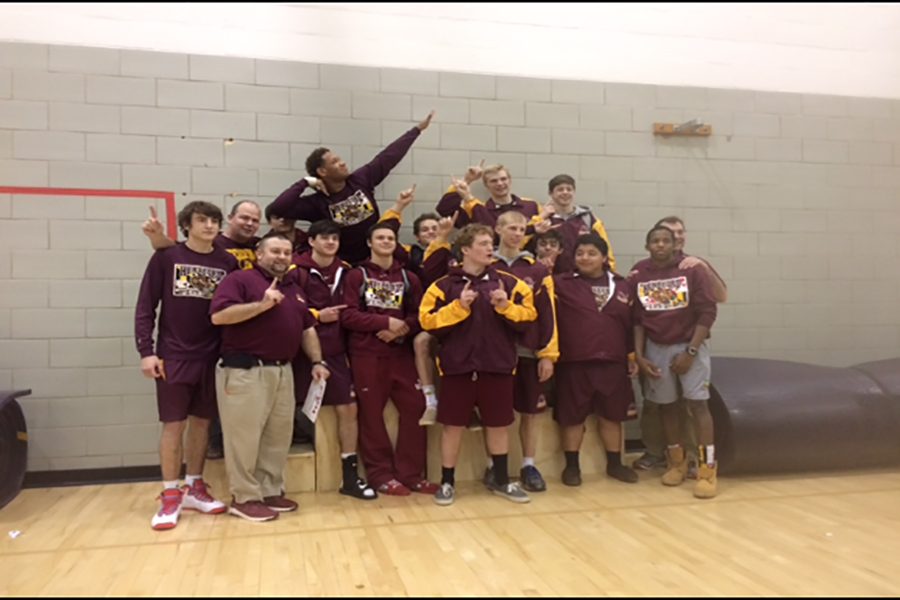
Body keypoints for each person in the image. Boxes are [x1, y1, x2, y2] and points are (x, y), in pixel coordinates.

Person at [210, 235, 330, 521]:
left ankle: (269, 490)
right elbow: (219, 317)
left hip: (282, 371)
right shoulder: (240, 280)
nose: (281, 256)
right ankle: (244, 497)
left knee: (277, 437)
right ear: (259, 254)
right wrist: (261, 305)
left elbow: (307, 328)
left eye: (287, 252)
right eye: (275, 251)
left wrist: (317, 360)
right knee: (244, 438)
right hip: (245, 371)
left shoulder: (294, 289)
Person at [134, 201, 238, 531]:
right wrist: (146, 351)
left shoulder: (227, 262)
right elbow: (145, 308)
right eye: (202, 220)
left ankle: (195, 485)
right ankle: (169, 493)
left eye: (214, 220)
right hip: (173, 356)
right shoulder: (166, 257)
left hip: (211, 357)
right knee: (173, 426)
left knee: (203, 425)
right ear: (187, 225)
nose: (209, 225)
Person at [420, 223, 538, 506]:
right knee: (453, 426)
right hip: (457, 368)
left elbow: (529, 316)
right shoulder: (443, 285)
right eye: (484, 243)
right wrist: (458, 307)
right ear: (465, 250)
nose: (490, 249)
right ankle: (447, 483)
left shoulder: (510, 284)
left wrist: (504, 306)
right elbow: (427, 321)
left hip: (497, 366)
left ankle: (501, 480)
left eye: (491, 244)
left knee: (498, 425)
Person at [340, 220, 439, 496]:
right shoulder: (356, 275)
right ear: (370, 243)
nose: (386, 242)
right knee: (371, 414)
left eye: (390, 238)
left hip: (400, 353)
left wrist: (399, 330)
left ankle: (411, 474)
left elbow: (419, 315)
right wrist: (382, 323)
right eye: (380, 238)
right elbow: (347, 315)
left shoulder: (409, 278)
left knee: (417, 407)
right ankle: (380, 474)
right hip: (367, 355)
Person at [268, 111, 435, 264]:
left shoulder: (360, 179)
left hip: (378, 256)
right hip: (348, 265)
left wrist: (416, 130)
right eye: (334, 162)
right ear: (322, 171)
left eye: (339, 159)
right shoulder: (316, 204)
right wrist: (304, 182)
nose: (342, 163)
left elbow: (388, 157)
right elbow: (278, 208)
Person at [539, 233, 639, 487]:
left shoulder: (623, 285)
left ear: (604, 258)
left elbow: (630, 325)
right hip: (574, 362)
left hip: (613, 361)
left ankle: (615, 464)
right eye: (580, 253)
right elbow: (545, 315)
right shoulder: (559, 283)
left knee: (612, 416)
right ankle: (572, 467)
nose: (585, 258)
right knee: (572, 417)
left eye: (592, 253)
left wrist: (630, 355)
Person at [630, 216, 727, 474]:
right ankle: (676, 462)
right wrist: (639, 356)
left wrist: (691, 351)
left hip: (689, 346)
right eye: (655, 241)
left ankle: (707, 467)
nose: (660, 245)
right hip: (655, 348)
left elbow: (708, 312)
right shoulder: (639, 273)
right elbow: (637, 319)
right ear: (647, 245)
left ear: (675, 245)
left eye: (666, 241)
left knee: (698, 405)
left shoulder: (692, 269)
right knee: (667, 406)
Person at [292, 219, 376, 500]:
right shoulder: (295, 270)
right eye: (324, 238)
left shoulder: (349, 271)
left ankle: (350, 475)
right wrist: (317, 316)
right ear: (312, 241)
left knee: (349, 409)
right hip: (297, 352)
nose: (330, 243)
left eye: (335, 239)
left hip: (337, 352)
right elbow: (286, 307)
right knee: (281, 414)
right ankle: (274, 480)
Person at [486, 210, 555, 492]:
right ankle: (493, 465)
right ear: (498, 230)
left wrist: (548, 354)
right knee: (494, 413)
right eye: (511, 228)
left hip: (527, 350)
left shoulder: (537, 269)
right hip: (492, 352)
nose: (517, 233)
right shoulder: (484, 265)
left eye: (521, 228)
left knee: (530, 412)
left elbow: (548, 314)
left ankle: (528, 464)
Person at [143, 200, 263, 270]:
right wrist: (156, 235)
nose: (249, 223)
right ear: (230, 218)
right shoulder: (210, 240)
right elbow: (172, 248)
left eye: (255, 220)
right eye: (244, 218)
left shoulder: (261, 245)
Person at [534, 174, 616, 274]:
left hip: (582, 279)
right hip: (551, 278)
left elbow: (605, 250)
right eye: (560, 189)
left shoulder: (588, 219)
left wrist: (609, 273)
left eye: (569, 189)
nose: (565, 192)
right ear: (550, 193)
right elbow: (524, 245)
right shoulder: (542, 220)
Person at [436, 163, 539, 230]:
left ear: (510, 180)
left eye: (503, 179)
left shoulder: (530, 206)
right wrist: (466, 180)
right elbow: (444, 209)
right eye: (493, 181)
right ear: (486, 185)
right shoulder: (478, 210)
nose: (499, 183)